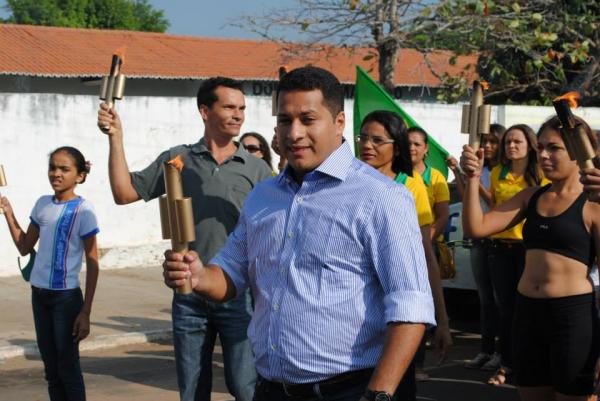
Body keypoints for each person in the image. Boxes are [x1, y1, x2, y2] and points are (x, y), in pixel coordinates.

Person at [163, 66, 435, 401]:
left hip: (351, 391)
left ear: (338, 123)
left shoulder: (381, 198)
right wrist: (199, 274)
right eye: (284, 120)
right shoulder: (263, 197)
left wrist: (379, 394)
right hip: (271, 389)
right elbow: (230, 275)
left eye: (308, 119)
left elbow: (411, 307)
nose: (293, 133)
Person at [97, 77, 271, 401]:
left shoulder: (257, 169)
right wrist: (116, 138)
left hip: (237, 293)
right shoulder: (177, 161)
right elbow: (124, 192)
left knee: (245, 387)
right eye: (229, 107)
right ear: (205, 111)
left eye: (242, 108)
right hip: (188, 293)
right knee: (192, 391)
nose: (238, 115)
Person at [460, 115, 600, 401]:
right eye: (541, 147)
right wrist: (473, 179)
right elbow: (476, 227)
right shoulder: (530, 196)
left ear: (579, 151)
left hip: (572, 318)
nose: (544, 155)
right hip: (527, 315)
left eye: (554, 148)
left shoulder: (594, 205)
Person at [357, 110, 452, 399]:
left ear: (396, 147)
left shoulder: (411, 187)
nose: (367, 145)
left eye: (377, 140)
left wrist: (442, 320)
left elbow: (425, 256)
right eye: (363, 137)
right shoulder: (347, 182)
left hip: (397, 312)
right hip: (356, 315)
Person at [1, 146, 99, 401]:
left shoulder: (84, 210)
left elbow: (93, 261)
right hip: (39, 296)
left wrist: (85, 311)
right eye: (53, 167)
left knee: (68, 368)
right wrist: (8, 214)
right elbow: (24, 246)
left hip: (66, 300)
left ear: (79, 176)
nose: (56, 173)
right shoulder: (42, 204)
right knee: (51, 370)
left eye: (64, 169)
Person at [482, 124, 549, 385]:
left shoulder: (541, 175)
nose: (511, 146)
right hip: (499, 249)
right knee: (506, 310)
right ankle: (507, 364)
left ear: (529, 146)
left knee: (528, 309)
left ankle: (529, 362)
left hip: (528, 250)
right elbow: (495, 209)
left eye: (517, 141)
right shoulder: (498, 172)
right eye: (508, 141)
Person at [449, 124, 506, 371]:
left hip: (499, 239)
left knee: (501, 300)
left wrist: (475, 179)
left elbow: (496, 202)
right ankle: (485, 350)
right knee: (485, 300)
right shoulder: (480, 170)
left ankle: (503, 353)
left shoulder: (503, 172)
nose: (489, 147)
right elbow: (465, 197)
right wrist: (461, 174)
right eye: (485, 142)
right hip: (478, 241)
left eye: (494, 142)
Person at [407, 126, 451, 380]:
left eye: (417, 144)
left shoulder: (435, 178)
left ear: (426, 149)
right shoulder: (397, 175)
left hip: (426, 243)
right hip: (404, 245)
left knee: (422, 302)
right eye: (408, 143)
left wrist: (426, 238)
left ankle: (418, 363)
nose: (412, 148)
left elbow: (443, 214)